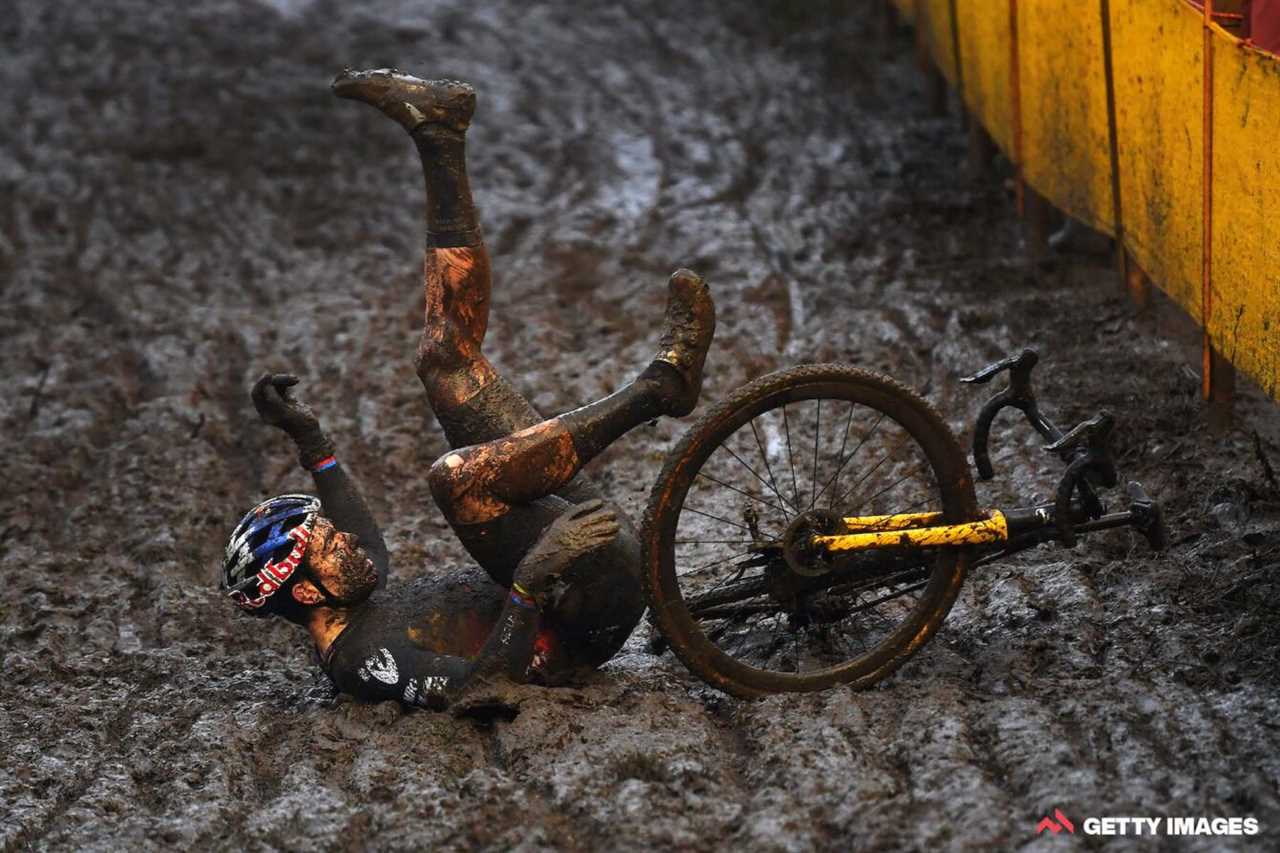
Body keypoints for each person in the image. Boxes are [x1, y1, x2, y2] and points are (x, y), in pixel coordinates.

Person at [220, 68, 715, 711]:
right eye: (328, 543)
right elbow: (482, 690)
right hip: (584, 607)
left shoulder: (352, 589)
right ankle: (658, 389)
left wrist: (307, 435)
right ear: (308, 591)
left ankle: (440, 134)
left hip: (568, 554)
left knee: (444, 361)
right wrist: (534, 579)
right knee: (455, 481)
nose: (346, 538)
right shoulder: (363, 663)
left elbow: (357, 529)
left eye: (331, 532)